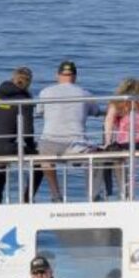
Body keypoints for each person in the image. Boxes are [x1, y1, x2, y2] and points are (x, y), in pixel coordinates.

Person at [36, 60, 102, 202]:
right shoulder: (85, 93)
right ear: (75, 77)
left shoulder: (45, 92)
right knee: (94, 158)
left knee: (45, 158)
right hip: (76, 144)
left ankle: (56, 195)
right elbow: (96, 111)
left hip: (50, 142)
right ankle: (93, 196)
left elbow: (39, 111)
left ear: (57, 75)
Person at [0, 66, 43, 204]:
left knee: (2, 162)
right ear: (28, 83)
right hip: (5, 147)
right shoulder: (23, 100)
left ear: (13, 78)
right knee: (39, 162)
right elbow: (27, 131)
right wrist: (32, 146)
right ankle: (27, 198)